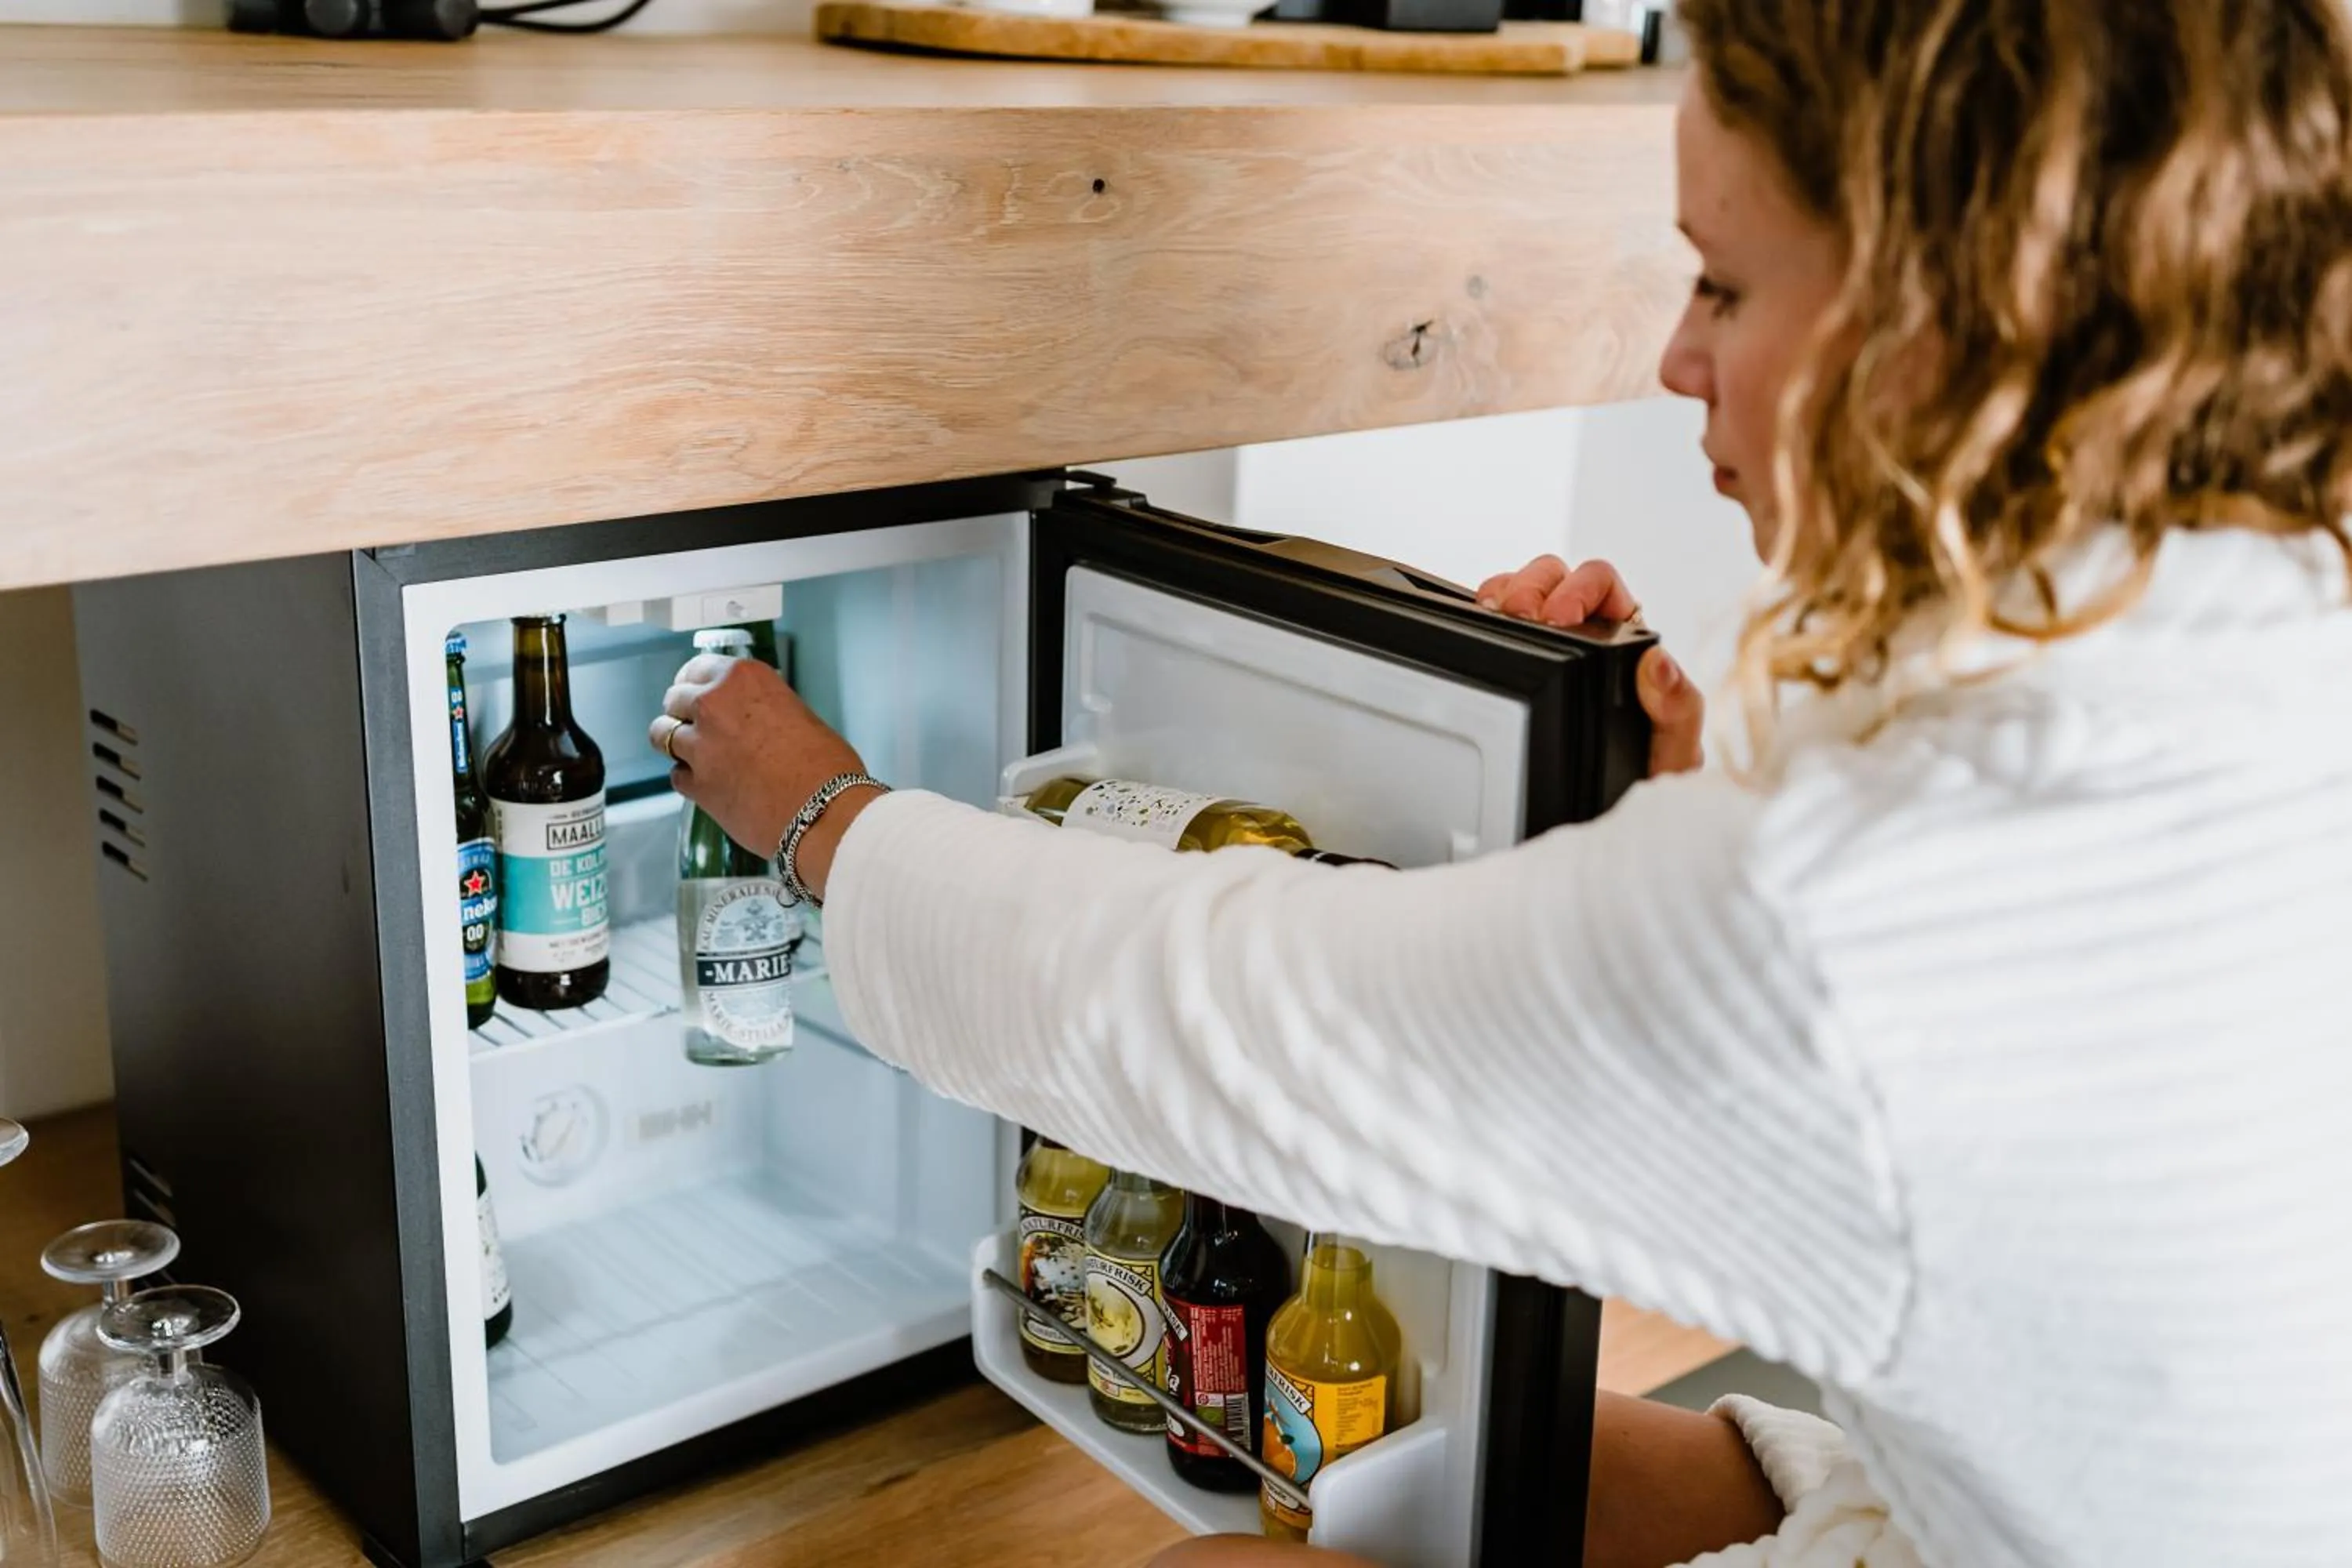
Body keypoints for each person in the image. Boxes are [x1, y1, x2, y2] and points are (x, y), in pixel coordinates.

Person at [645, 1, 2352, 1563]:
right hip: (2047, 1492)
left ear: (1958, 326)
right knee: (1479, 1454)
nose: (1677, 359)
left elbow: (1215, 1018)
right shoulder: (2263, 617)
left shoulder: (1859, 929)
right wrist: (1684, 796)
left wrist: (829, 824)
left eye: (1731, 288)